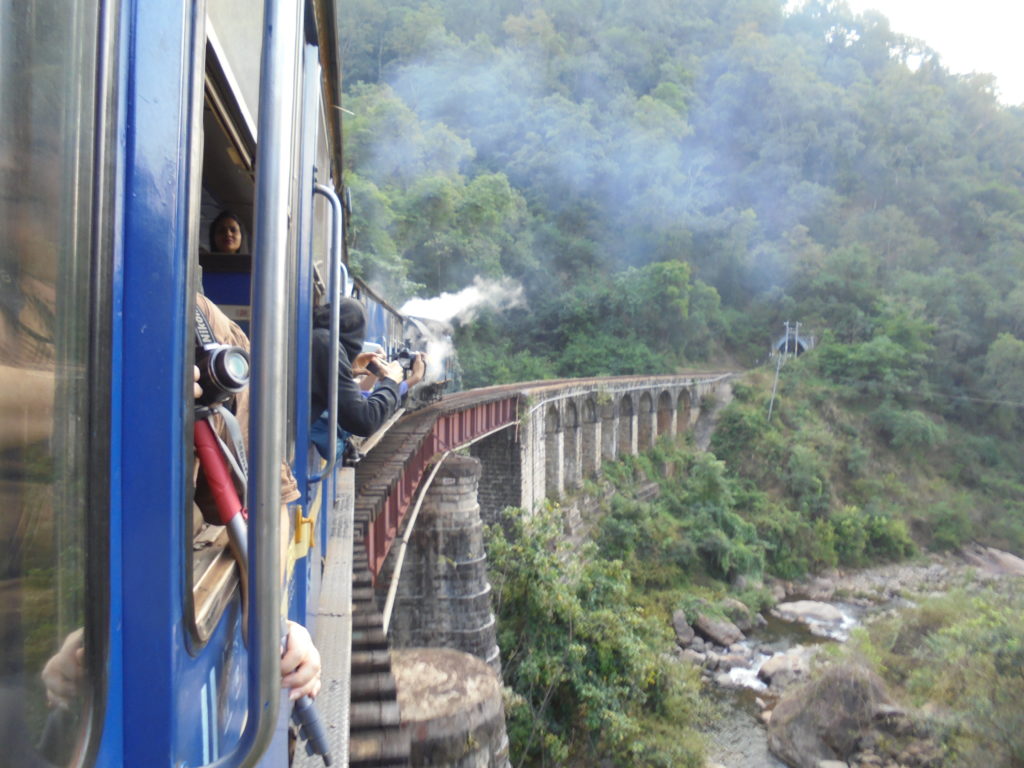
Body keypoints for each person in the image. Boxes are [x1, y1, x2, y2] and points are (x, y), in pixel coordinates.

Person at [309, 298, 412, 438]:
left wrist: (347, 369)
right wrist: (391, 382)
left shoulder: (317, 338)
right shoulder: (326, 345)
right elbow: (365, 421)